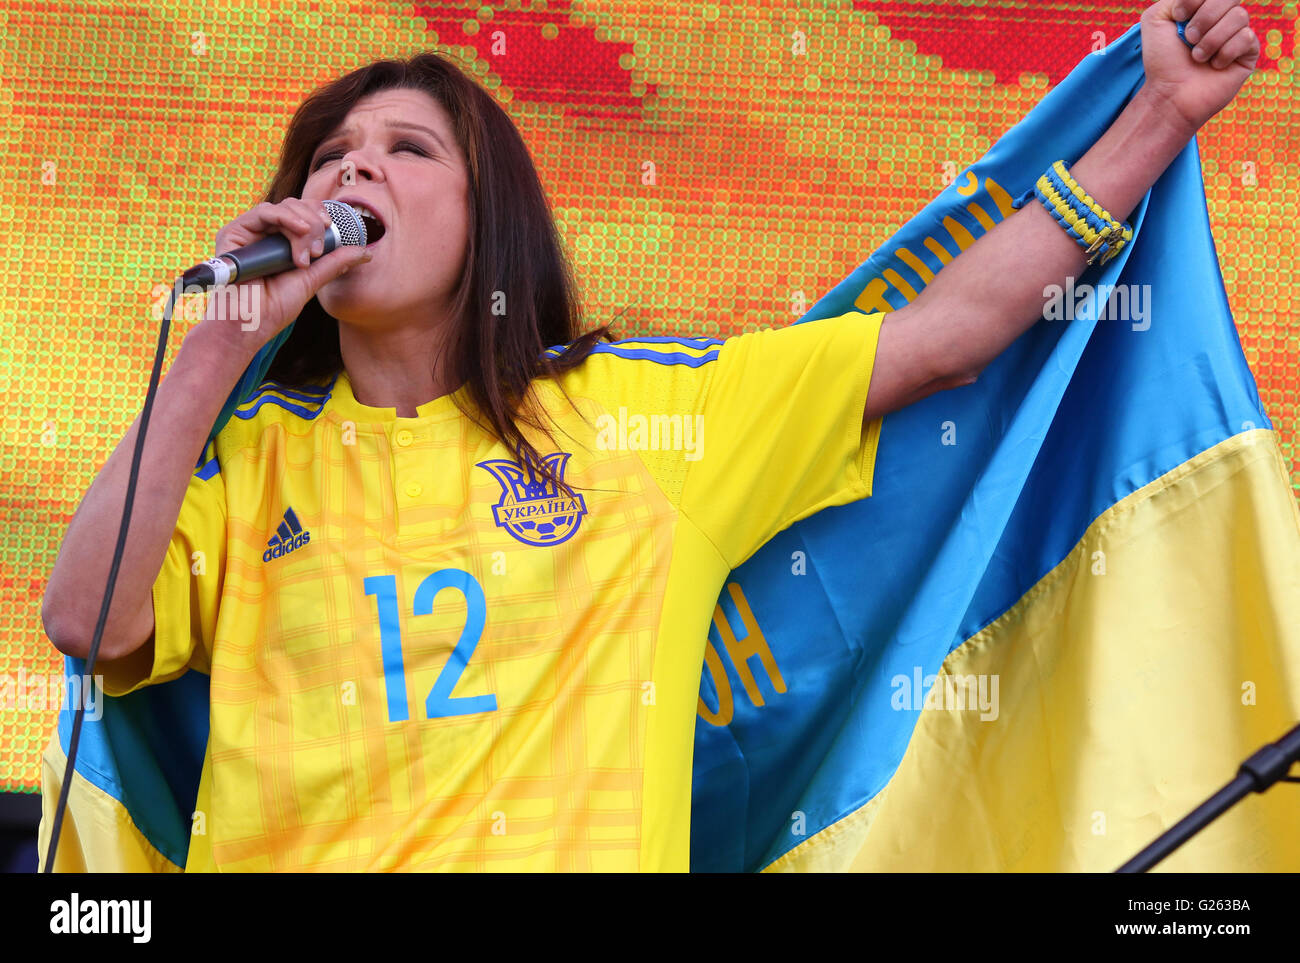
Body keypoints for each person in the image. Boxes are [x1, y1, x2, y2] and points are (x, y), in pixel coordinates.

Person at [41, 0, 1259, 871]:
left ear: (488, 218)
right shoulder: (248, 457)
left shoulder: (641, 412)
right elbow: (86, 624)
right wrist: (215, 345)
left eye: (407, 151)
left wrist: (1155, 115)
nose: (352, 173)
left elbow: (949, 332)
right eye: (331, 158)